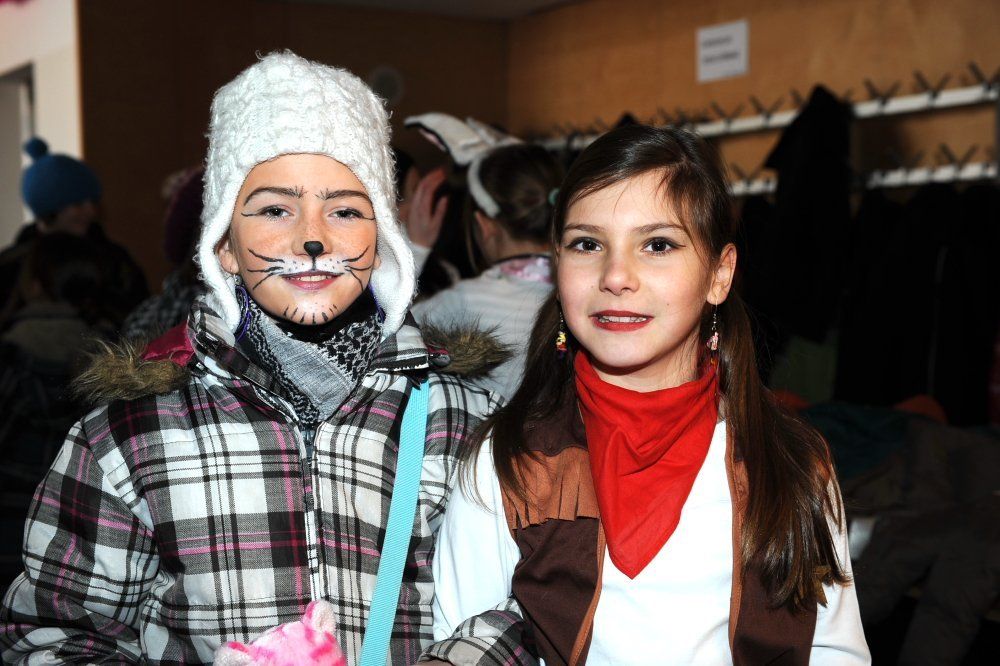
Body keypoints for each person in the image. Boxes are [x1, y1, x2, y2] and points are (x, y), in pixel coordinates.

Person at [0, 51, 513, 665]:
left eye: (345, 210)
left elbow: (524, 605)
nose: (312, 238)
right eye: (274, 210)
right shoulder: (129, 436)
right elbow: (53, 632)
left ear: (381, 241)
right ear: (224, 244)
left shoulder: (465, 420)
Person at [424, 125, 870, 664]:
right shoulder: (506, 460)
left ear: (720, 273)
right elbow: (460, 647)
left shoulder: (792, 461)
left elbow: (835, 652)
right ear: (557, 263)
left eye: (657, 245)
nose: (616, 276)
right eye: (588, 244)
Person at [404, 114, 563, 399]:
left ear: (485, 225)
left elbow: (379, 341)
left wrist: (414, 251)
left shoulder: (460, 304)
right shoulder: (589, 293)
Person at [0, 233, 111, 596]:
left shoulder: (9, 352)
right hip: (76, 522)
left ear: (33, 285)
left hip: (9, 513)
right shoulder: (110, 357)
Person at [0, 138, 148, 328]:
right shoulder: (12, 265)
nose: (90, 211)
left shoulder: (114, 259)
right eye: (78, 204)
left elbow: (140, 316)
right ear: (49, 211)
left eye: (93, 202)